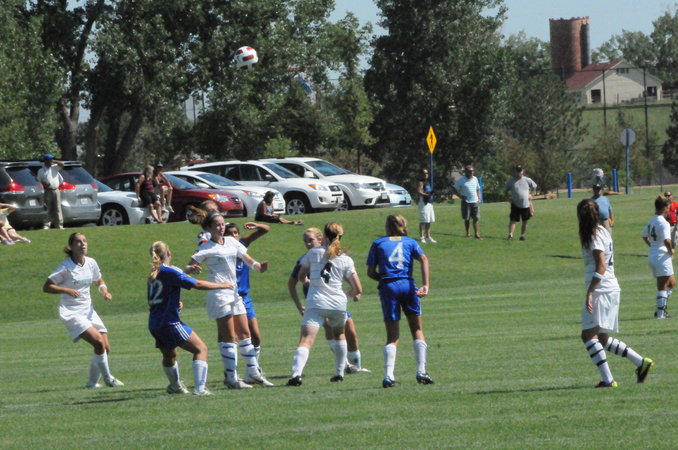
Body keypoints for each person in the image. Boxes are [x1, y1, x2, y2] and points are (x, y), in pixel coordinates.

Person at [187, 212, 274, 388]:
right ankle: (232, 378)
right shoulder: (206, 246)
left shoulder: (232, 242)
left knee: (245, 334)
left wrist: (259, 267)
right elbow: (190, 265)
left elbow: (248, 260)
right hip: (219, 294)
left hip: (234, 293)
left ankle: (254, 373)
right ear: (209, 228)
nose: (221, 227)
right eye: (217, 225)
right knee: (229, 337)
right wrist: (191, 268)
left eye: (222, 224)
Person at [577, 199, 654, 387]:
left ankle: (608, 379)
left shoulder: (594, 235)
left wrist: (590, 291)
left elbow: (601, 265)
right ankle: (641, 362)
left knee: (588, 335)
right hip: (610, 288)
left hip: (601, 289)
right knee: (602, 339)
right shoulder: (603, 230)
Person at [148, 241, 233, 396]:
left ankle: (175, 386)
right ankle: (200, 389)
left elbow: (158, 297)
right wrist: (223, 285)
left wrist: (175, 302)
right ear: (169, 253)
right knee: (201, 349)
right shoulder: (170, 271)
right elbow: (197, 284)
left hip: (154, 323)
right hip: (170, 323)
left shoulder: (154, 273)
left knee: (170, 355)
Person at [42, 232, 124, 388]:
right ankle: (108, 378)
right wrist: (66, 290)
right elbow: (46, 287)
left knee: (105, 347)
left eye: (84, 241)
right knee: (98, 342)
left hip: (88, 310)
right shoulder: (65, 267)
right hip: (72, 312)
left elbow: (98, 280)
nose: (83, 244)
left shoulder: (91, 262)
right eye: (78, 242)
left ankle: (92, 383)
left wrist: (104, 291)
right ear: (72, 246)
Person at [287, 222, 363, 386]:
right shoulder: (346, 259)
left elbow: (301, 277)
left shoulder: (313, 253)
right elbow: (358, 288)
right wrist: (345, 295)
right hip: (338, 304)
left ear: (324, 236)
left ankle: (296, 375)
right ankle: (339, 373)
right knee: (339, 335)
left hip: (316, 302)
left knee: (306, 339)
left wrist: (307, 281)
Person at [366, 214, 433, 388]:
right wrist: (425, 284)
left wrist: (385, 279)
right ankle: (421, 371)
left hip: (389, 287)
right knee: (417, 329)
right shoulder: (410, 242)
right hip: (408, 284)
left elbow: (370, 272)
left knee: (392, 335)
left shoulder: (378, 243)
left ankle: (389, 375)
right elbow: (424, 258)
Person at [224, 221, 270, 363]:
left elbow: (265, 229)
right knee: (234, 336)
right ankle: (232, 370)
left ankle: (254, 368)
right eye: (229, 234)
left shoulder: (242, 244)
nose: (233, 236)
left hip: (244, 297)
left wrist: (256, 225)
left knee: (255, 336)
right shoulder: (221, 249)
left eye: (235, 233)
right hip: (229, 297)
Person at [641, 196, 676, 319]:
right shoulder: (664, 223)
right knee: (663, 285)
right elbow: (667, 240)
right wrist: (671, 250)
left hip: (654, 254)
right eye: (668, 206)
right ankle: (660, 314)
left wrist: (653, 246)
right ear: (665, 207)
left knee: (672, 283)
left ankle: (662, 308)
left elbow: (644, 235)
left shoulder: (652, 220)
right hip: (661, 256)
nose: (669, 208)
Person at [505, 165, 537, 241]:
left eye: (520, 170)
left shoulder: (527, 180)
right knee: (513, 220)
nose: (519, 172)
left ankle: (522, 235)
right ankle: (510, 235)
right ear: (515, 171)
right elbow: (505, 191)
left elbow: (534, 187)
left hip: (525, 205)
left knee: (525, 221)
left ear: (523, 171)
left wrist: (531, 195)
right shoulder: (511, 180)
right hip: (515, 204)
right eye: (517, 171)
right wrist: (508, 199)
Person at [451, 164, 482, 239]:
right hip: (466, 202)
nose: (472, 172)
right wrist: (460, 196)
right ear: (466, 172)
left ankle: (476, 234)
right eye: (470, 171)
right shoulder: (461, 180)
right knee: (467, 218)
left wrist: (479, 198)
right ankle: (468, 233)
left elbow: (478, 189)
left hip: (475, 201)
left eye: (472, 171)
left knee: (476, 218)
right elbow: (454, 188)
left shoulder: (475, 179)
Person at [37, 154, 64, 230]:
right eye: (49, 160)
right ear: (45, 161)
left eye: (51, 160)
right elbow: (39, 180)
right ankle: (46, 225)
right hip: (47, 191)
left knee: (57, 208)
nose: (50, 161)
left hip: (56, 190)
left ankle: (59, 225)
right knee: (47, 208)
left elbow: (62, 164)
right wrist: (43, 183)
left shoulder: (55, 167)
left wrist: (54, 161)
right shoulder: (41, 170)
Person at [416, 168, 435, 243]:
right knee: (423, 220)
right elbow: (419, 191)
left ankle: (428, 237)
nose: (426, 175)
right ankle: (421, 237)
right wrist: (426, 195)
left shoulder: (428, 182)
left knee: (429, 220)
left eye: (427, 173)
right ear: (421, 174)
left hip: (429, 202)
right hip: (423, 202)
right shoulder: (421, 182)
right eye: (424, 173)